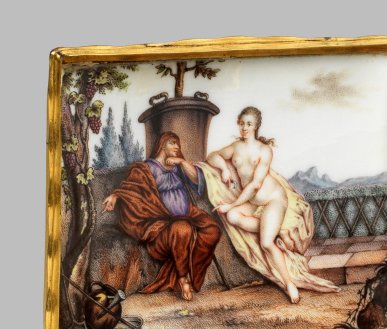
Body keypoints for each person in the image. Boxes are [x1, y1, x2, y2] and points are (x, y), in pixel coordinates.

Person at [203, 106, 339, 303]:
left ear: (256, 126)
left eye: (249, 124)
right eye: (242, 123)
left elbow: (255, 185)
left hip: (272, 199)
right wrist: (224, 167)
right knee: (232, 217)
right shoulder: (235, 147)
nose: (244, 128)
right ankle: (274, 230)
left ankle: (289, 284)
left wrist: (231, 204)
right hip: (252, 202)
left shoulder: (264, 150)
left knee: (266, 243)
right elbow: (212, 156)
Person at [102, 132, 221, 301]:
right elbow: (131, 188)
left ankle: (192, 271)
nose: (177, 147)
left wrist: (181, 162)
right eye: (172, 143)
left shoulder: (178, 167)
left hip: (188, 213)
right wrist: (115, 195)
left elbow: (197, 180)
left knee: (213, 230)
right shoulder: (146, 168)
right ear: (162, 144)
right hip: (163, 221)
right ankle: (182, 278)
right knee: (183, 229)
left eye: (178, 144)